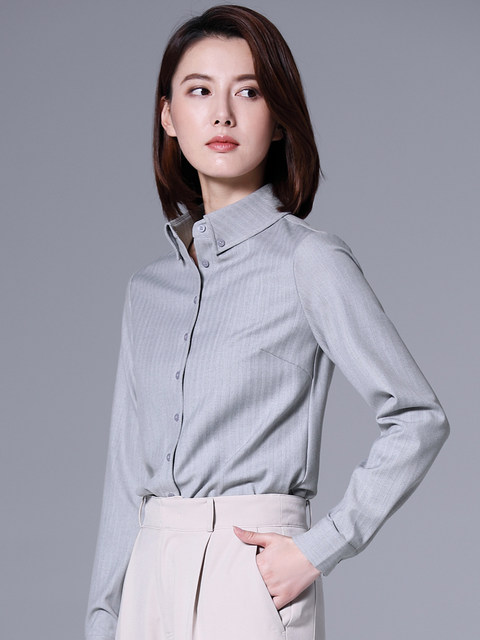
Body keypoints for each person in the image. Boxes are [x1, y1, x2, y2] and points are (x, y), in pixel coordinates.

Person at [84, 5, 450, 640]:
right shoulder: (147, 292)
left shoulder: (310, 261)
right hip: (147, 578)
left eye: (248, 92)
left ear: (279, 118)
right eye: (199, 91)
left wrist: (318, 547)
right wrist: (102, 615)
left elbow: (419, 417)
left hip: (249, 570)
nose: (222, 114)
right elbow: (124, 475)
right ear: (168, 116)